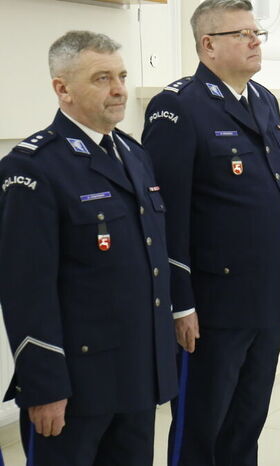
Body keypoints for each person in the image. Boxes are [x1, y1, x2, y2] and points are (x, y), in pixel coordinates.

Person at [0, 30, 177, 465]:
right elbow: (26, 291)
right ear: (62, 88)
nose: (118, 89)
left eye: (121, 75)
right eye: (101, 78)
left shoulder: (133, 154)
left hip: (136, 372)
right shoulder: (32, 168)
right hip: (76, 385)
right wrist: (45, 388)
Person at [141, 1, 280, 464]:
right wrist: (180, 303)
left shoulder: (264, 99)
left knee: (247, 420)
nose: (256, 41)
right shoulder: (178, 106)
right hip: (213, 303)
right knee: (201, 423)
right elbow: (164, 213)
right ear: (208, 45)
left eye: (257, 33)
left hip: (266, 296)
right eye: (243, 34)